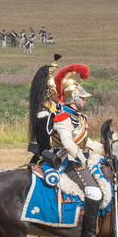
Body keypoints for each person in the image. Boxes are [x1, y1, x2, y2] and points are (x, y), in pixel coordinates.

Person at [28, 60, 104, 216]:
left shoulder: (68, 112)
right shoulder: (49, 112)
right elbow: (55, 144)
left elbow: (82, 140)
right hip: (58, 156)